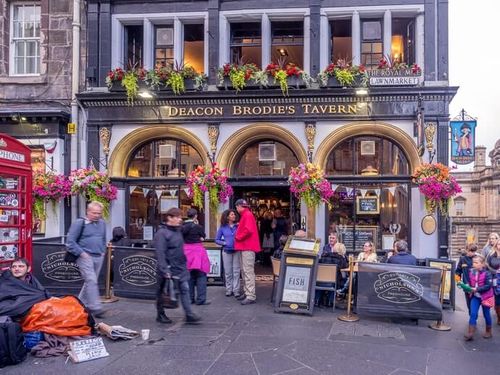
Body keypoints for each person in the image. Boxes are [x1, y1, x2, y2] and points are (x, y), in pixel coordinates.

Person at [154, 207, 201, 324]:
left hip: (180, 267)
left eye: (181, 217)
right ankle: (160, 314)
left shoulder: (178, 230)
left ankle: (189, 314)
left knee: (184, 289)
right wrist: (165, 269)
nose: (180, 219)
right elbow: (160, 252)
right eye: (178, 217)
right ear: (169, 218)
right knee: (163, 292)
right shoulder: (162, 233)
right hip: (168, 268)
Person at [66, 201, 107, 318]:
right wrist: (82, 253)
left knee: (89, 282)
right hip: (85, 256)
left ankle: (79, 304)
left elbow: (103, 238)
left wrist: (103, 251)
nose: (97, 215)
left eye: (99, 213)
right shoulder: (79, 223)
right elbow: (70, 242)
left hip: (99, 255)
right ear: (88, 211)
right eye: (94, 213)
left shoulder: (102, 223)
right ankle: (96, 307)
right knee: (91, 280)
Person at [234, 199, 261, 305]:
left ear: (240, 206)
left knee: (248, 271)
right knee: (244, 270)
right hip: (245, 247)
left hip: (247, 247)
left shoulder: (247, 215)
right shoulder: (247, 214)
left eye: (237, 207)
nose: (236, 209)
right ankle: (247, 292)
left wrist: (238, 237)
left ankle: (250, 295)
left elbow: (248, 230)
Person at [182, 208, 210, 305]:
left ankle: (190, 299)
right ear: (195, 216)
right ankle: (201, 299)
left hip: (186, 251)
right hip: (198, 252)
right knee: (201, 275)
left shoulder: (182, 226)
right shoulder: (198, 227)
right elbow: (203, 236)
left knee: (189, 276)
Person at [463, 255, 493, 340]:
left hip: (486, 297)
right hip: (475, 297)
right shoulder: (471, 271)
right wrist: (467, 286)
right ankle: (470, 333)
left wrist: (476, 289)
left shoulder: (487, 273)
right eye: (473, 262)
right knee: (473, 313)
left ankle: (488, 331)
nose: (474, 264)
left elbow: (488, 286)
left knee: (486, 314)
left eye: (476, 262)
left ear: (482, 264)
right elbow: (469, 281)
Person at [215, 209, 241, 298]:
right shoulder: (223, 227)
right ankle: (229, 289)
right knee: (228, 272)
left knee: (236, 271)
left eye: (234, 214)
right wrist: (224, 243)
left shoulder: (238, 226)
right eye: (232, 214)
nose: (234, 216)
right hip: (226, 251)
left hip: (237, 251)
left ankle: (236, 290)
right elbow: (217, 240)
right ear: (227, 217)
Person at [315, 242, 347, 307]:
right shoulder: (341, 259)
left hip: (319, 281)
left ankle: (316, 301)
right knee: (336, 279)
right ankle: (330, 302)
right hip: (332, 283)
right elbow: (345, 267)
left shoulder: (324, 256)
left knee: (323, 280)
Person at [455, 244, 477, 313]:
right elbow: (457, 271)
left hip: (476, 285)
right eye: (470, 251)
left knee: (475, 302)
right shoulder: (462, 259)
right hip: (466, 285)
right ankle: (471, 314)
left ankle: (473, 316)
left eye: (473, 251)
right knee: (469, 303)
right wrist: (458, 281)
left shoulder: (477, 258)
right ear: (467, 250)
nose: (471, 253)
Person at [485, 239, 500, 325]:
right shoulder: (492, 255)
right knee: (497, 298)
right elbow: (487, 266)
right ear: (496, 246)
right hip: (495, 279)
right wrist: (496, 272)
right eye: (498, 244)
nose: (499, 246)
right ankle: (499, 316)